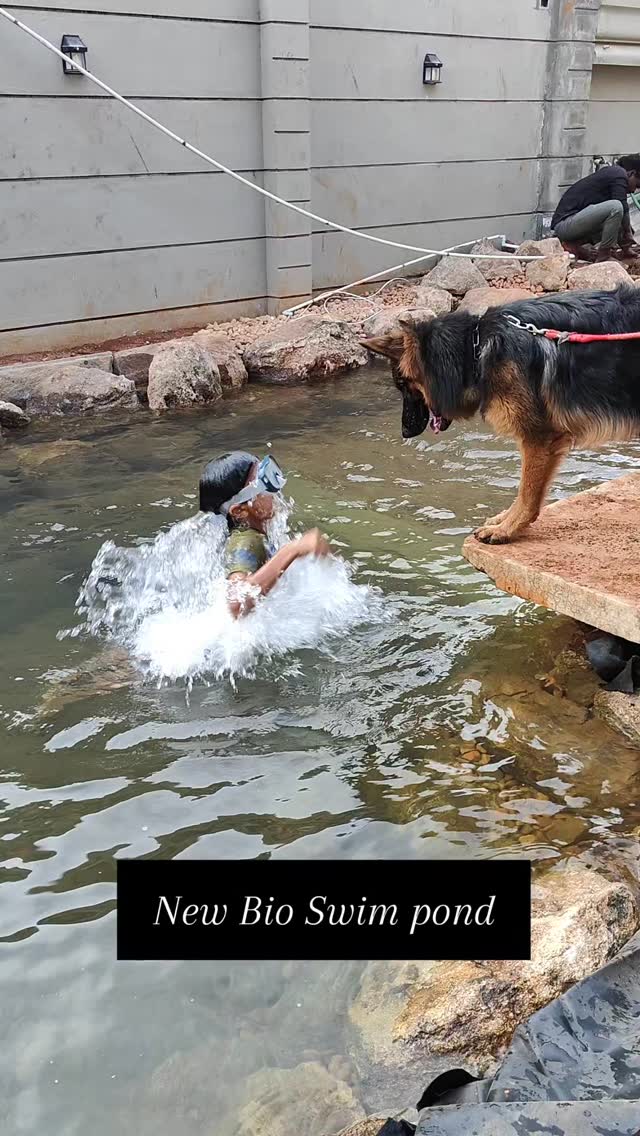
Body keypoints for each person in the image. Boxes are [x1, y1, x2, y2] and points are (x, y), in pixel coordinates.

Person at [199, 450, 331, 618]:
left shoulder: (253, 533)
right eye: (264, 485)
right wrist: (293, 550)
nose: (274, 492)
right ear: (240, 511)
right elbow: (235, 605)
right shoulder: (247, 541)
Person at [551, 154, 640, 262]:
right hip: (564, 225)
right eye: (637, 185)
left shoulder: (613, 175)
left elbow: (622, 218)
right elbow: (622, 206)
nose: (634, 191)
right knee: (616, 208)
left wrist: (626, 248)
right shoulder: (619, 173)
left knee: (619, 218)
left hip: (573, 225)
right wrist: (628, 233)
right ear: (632, 173)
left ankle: (574, 246)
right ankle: (604, 255)